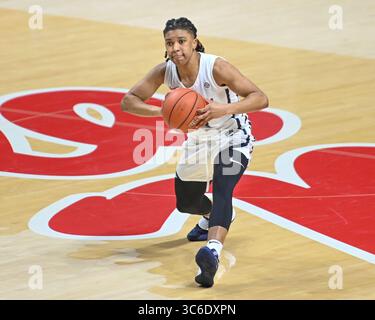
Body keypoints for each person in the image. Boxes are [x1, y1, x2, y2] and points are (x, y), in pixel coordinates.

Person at [121, 17, 268, 287]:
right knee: (186, 203)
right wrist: (162, 111)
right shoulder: (165, 71)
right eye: (170, 43)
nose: (176, 47)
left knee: (223, 186)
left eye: (181, 41)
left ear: (195, 42)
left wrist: (222, 109)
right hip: (198, 140)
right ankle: (213, 215)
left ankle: (212, 252)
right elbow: (128, 101)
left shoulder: (216, 67)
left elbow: (260, 97)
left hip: (232, 135)